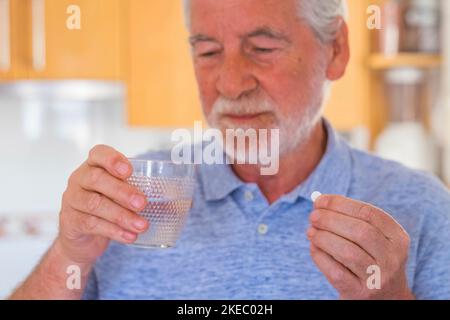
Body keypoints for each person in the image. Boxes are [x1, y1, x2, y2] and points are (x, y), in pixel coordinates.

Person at [10, 0, 450, 300]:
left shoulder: (423, 208)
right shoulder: (129, 199)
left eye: (261, 49)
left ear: (335, 49)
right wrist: (68, 257)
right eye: (208, 52)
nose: (230, 83)